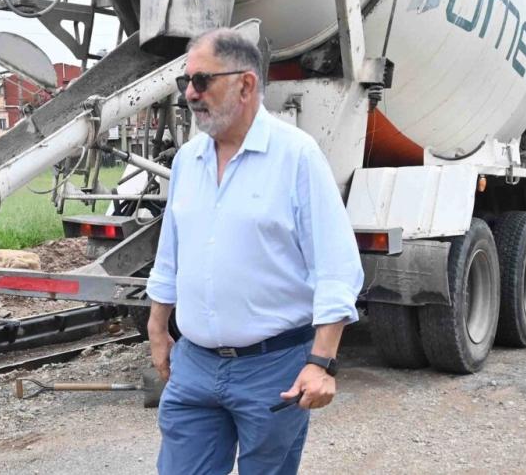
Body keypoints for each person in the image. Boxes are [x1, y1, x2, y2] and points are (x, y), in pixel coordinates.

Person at [145, 28, 364, 474]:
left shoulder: (297, 157)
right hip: (195, 366)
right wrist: (157, 327)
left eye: (202, 81)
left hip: (273, 370)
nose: (190, 94)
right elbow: (171, 252)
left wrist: (322, 363)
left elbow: (336, 268)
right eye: (185, 82)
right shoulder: (188, 160)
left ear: (245, 85)